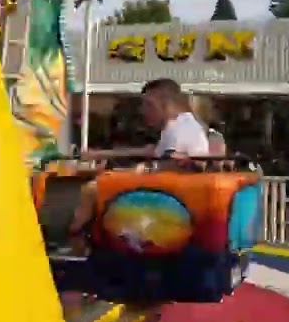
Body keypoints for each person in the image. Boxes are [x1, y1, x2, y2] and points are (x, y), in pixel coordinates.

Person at [65, 78, 210, 250]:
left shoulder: (181, 130)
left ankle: (74, 243)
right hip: (166, 189)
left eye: (149, 105)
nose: (143, 111)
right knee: (106, 178)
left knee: (91, 189)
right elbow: (151, 151)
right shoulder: (180, 125)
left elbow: (170, 164)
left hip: (167, 194)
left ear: (166, 104)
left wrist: (134, 170)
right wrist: (99, 154)